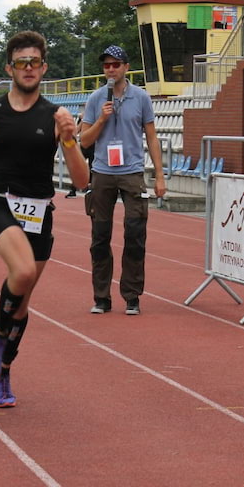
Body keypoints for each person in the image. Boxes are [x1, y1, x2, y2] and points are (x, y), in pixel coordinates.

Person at [0, 30, 89, 408]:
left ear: (44, 68)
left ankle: (4, 370)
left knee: (23, 305)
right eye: (21, 62)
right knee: (23, 272)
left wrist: (71, 140)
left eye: (35, 63)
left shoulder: (57, 115)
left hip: (40, 213)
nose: (28, 69)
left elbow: (81, 181)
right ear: (9, 67)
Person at [79, 45, 167, 316]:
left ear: (126, 67)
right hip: (103, 173)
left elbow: (151, 137)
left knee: (135, 234)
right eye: (106, 65)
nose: (111, 69)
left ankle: (132, 296)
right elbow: (84, 140)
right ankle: (101, 297)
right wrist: (102, 119)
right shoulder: (95, 99)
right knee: (100, 237)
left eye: (116, 65)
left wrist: (159, 175)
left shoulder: (141, 98)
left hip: (131, 173)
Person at [65, 113, 94, 198]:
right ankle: (73, 190)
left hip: (94, 145)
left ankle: (91, 189)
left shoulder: (96, 117)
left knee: (92, 168)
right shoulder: (83, 119)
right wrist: (83, 121)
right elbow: (76, 130)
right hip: (84, 146)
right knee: (77, 166)